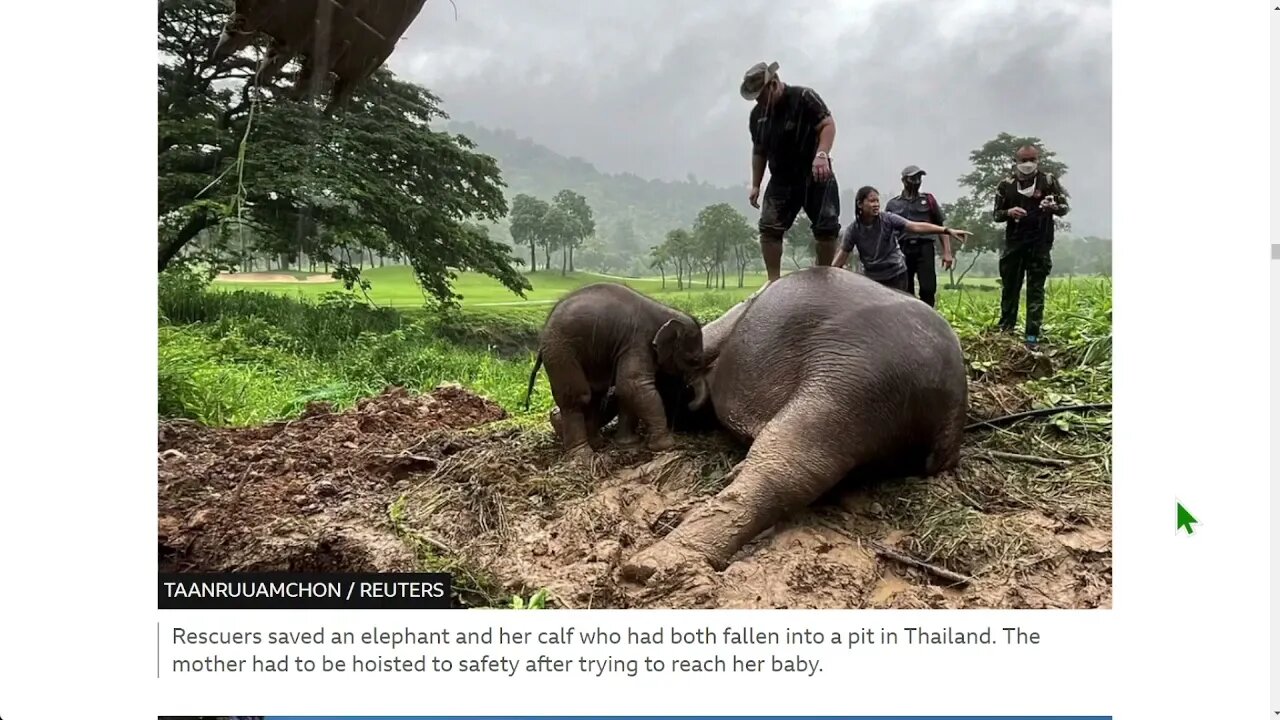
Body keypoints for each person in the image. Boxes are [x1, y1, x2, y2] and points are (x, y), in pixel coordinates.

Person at [740, 61, 840, 284]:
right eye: (756, 98)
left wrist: (821, 154)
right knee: (769, 227)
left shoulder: (804, 97)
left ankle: (824, 276)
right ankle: (773, 282)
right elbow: (759, 151)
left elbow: (827, 124)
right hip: (782, 177)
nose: (760, 102)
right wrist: (756, 184)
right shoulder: (757, 116)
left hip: (815, 171)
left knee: (827, 226)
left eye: (762, 96)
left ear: (774, 84)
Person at [992, 144, 1070, 349]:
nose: (1027, 164)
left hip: (1040, 244)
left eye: (1032, 160)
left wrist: (1053, 206)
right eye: (1023, 160)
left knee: (1036, 290)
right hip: (1014, 244)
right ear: (1016, 161)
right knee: (1010, 289)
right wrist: (1010, 212)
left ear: (1038, 160)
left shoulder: (1048, 181)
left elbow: (1064, 208)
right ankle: (1006, 331)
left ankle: (1032, 336)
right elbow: (996, 214)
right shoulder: (1006, 185)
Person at [833, 185, 969, 291]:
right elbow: (842, 257)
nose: (876, 204)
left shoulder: (888, 219)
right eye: (871, 201)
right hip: (872, 279)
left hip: (896, 274)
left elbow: (915, 227)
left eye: (877, 201)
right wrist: (829, 274)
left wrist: (946, 230)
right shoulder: (853, 230)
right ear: (860, 204)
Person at [885, 165, 955, 307]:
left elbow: (941, 228)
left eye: (919, 178)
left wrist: (947, 253)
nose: (916, 181)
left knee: (928, 288)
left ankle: (928, 317)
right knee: (905, 289)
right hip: (902, 249)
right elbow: (886, 231)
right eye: (913, 178)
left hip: (925, 247)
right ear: (904, 180)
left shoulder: (928, 200)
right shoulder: (893, 204)